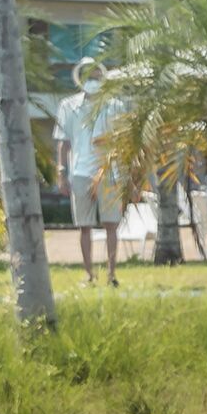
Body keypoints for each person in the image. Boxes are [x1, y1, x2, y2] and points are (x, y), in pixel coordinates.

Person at [50, 57, 118, 287]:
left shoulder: (114, 105)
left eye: (96, 76)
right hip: (79, 172)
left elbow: (123, 140)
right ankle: (89, 274)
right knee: (84, 226)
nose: (92, 81)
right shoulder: (68, 106)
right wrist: (61, 172)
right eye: (88, 77)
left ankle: (111, 275)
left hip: (109, 172)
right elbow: (63, 142)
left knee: (111, 225)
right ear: (80, 79)